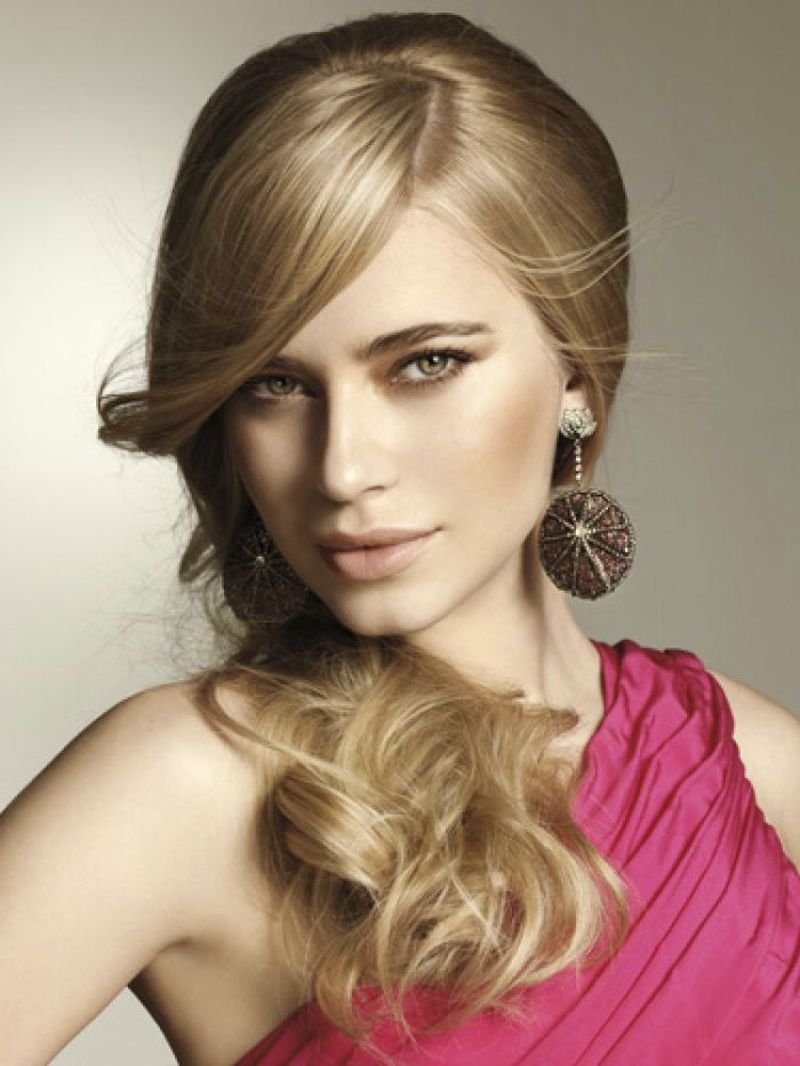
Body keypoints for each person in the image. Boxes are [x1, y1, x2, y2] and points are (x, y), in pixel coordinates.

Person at [2, 11, 798, 1066]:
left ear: (574, 366)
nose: (342, 468)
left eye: (425, 363)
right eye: (274, 383)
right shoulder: (189, 787)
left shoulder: (742, 764)